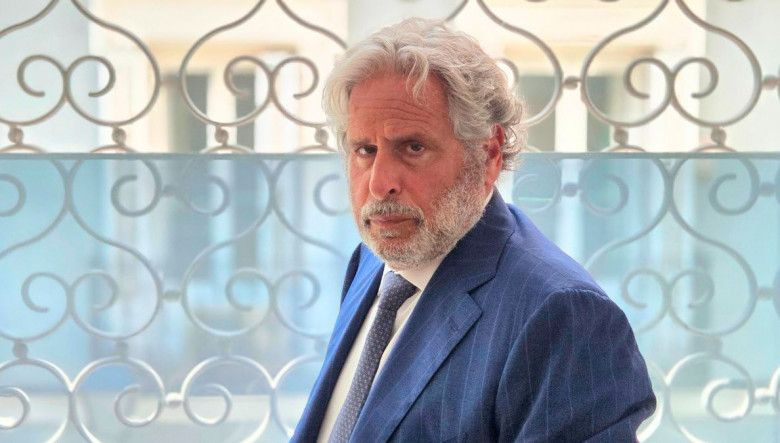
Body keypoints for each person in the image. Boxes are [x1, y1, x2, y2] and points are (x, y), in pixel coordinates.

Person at [293, 18, 656, 442]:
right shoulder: (373, 262)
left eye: (413, 147)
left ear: (489, 154)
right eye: (365, 150)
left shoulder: (563, 315)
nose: (379, 182)